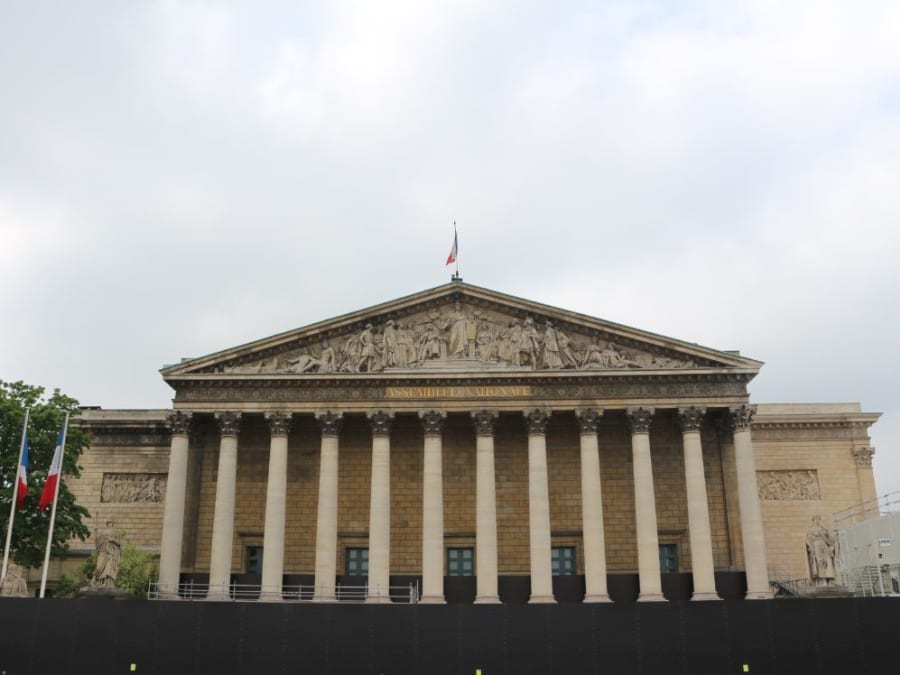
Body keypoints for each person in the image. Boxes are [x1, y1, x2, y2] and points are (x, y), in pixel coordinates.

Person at [805, 515, 836, 586]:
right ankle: (822, 580)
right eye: (815, 519)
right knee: (819, 563)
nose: (817, 521)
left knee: (828, 562)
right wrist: (811, 547)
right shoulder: (811, 530)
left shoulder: (823, 529)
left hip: (824, 547)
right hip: (816, 547)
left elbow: (830, 539)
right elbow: (808, 540)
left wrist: (831, 546)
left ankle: (830, 579)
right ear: (813, 520)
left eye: (818, 519)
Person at [92, 520, 122, 588]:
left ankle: (108, 583)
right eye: (108, 523)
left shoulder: (116, 532)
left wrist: (113, 539)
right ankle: (97, 582)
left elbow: (119, 543)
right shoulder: (103, 532)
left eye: (111, 523)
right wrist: (95, 532)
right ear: (106, 524)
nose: (109, 524)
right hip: (103, 552)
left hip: (112, 553)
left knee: (109, 569)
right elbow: (97, 541)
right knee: (99, 567)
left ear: (113, 524)